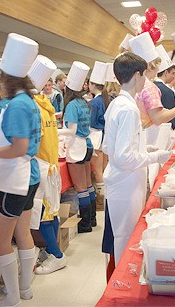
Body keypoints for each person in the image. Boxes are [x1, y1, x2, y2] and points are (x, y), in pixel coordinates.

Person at [0, 33, 41, 307]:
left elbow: (18, 147)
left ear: (7, 79)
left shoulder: (16, 104)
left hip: (13, 179)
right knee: (23, 232)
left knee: (1, 240)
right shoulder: (29, 101)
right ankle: (25, 289)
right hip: (27, 176)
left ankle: (12, 298)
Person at [102, 52, 172, 269]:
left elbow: (110, 146)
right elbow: (123, 156)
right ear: (137, 75)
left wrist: (144, 147)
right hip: (125, 182)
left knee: (125, 234)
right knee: (125, 236)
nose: (146, 81)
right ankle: (122, 277)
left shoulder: (118, 103)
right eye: (144, 76)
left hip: (123, 179)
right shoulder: (128, 108)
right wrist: (154, 156)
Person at [26, 55, 68, 275]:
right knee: (50, 213)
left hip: (40, 167)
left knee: (42, 215)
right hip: (50, 165)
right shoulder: (47, 104)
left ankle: (56, 255)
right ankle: (54, 251)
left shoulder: (32, 106)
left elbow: (30, 144)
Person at [59, 61, 95, 233]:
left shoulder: (72, 105)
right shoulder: (83, 103)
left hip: (77, 146)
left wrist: (53, 131)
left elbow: (71, 130)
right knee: (88, 184)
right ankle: (92, 219)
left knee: (80, 187)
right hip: (87, 144)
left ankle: (85, 224)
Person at [88, 61, 110, 212]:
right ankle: (106, 198)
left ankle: (101, 202)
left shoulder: (95, 102)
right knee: (104, 168)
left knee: (97, 171)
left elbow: (91, 121)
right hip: (105, 136)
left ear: (92, 84)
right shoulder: (107, 99)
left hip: (96, 136)